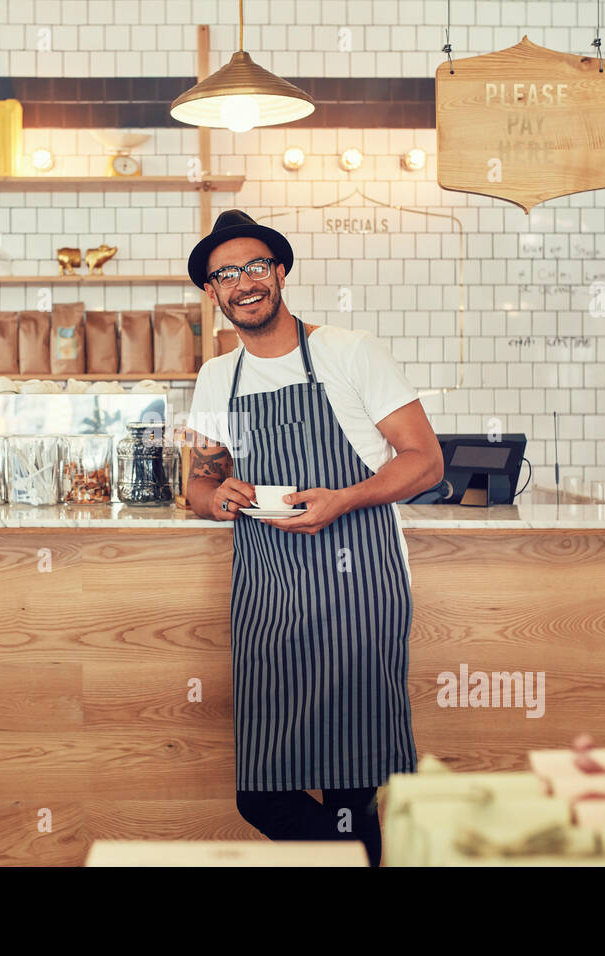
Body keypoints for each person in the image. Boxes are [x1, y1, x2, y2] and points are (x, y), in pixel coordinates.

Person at [184, 209, 444, 866]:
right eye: (226, 274)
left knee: (351, 788)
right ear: (212, 294)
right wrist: (221, 496)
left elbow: (425, 460)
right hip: (269, 594)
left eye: (255, 266)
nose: (244, 282)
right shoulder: (218, 378)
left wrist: (345, 499)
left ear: (280, 272)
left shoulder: (348, 350)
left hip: (359, 593)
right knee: (263, 792)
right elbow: (197, 484)